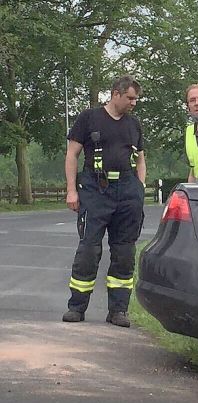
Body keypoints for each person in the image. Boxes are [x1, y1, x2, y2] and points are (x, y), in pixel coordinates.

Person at [63, 75, 147, 327]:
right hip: (95, 188)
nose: (134, 103)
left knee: (124, 251)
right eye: (130, 98)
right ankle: (76, 307)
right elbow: (71, 155)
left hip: (127, 190)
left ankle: (118, 310)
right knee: (89, 248)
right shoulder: (89, 118)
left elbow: (141, 159)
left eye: (136, 99)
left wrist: (140, 188)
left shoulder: (134, 125)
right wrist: (71, 190)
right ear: (115, 94)